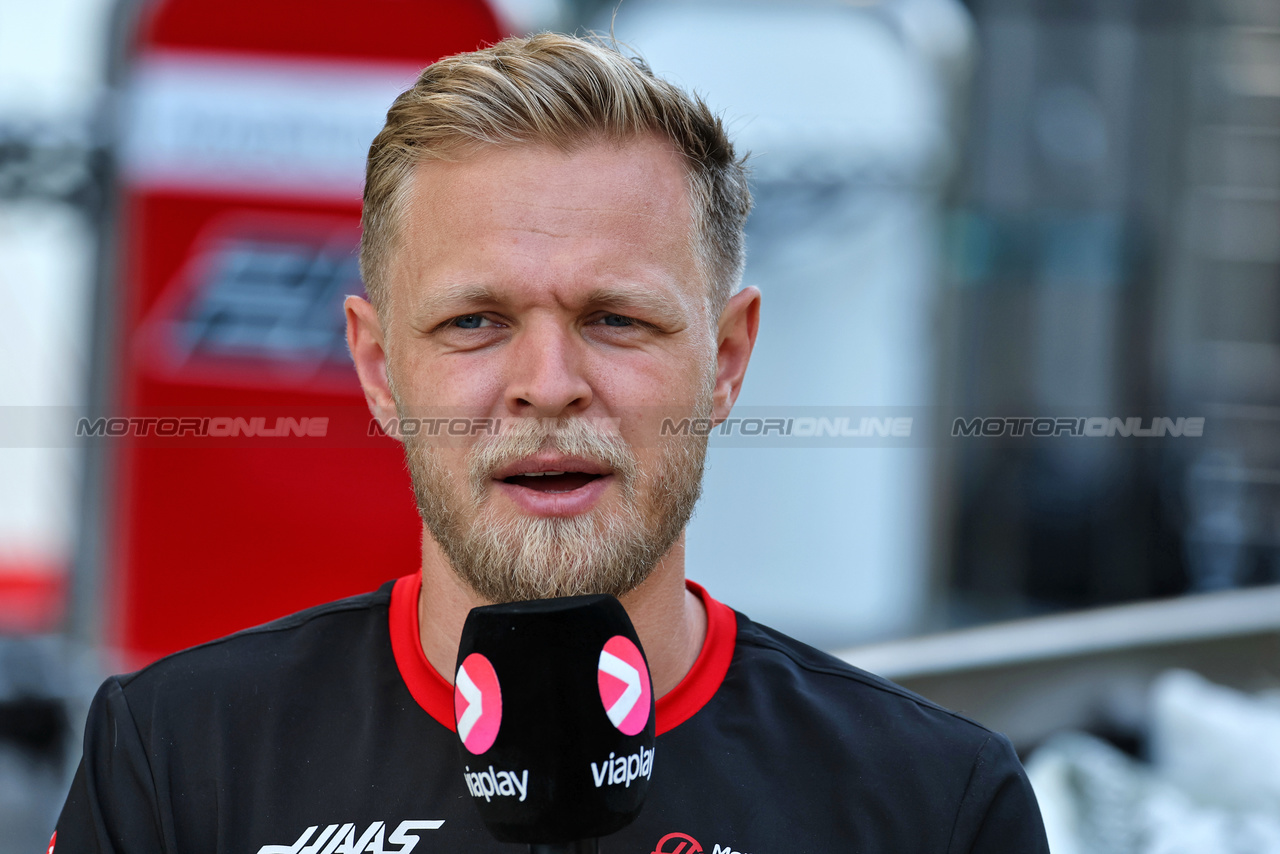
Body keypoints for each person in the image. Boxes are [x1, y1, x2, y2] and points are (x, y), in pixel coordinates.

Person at [53, 34, 1048, 853]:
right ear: (376, 365)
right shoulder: (177, 758)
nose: (548, 384)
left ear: (727, 358)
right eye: (474, 321)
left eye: (616, 318)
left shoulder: (932, 802)